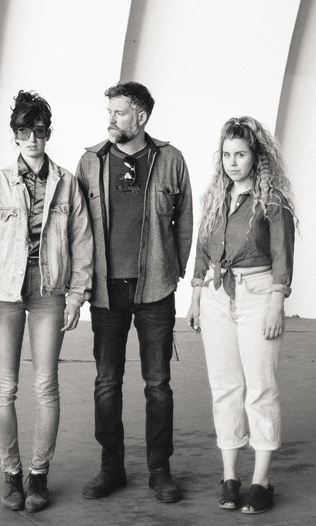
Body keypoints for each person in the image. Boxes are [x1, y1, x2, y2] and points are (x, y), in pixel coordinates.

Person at [0, 90, 93, 513]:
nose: (33, 139)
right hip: (4, 293)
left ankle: (39, 475)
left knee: (46, 387)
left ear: (48, 133)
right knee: (5, 389)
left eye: (39, 131)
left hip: (48, 292)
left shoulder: (67, 183)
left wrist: (77, 296)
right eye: (25, 131)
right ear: (15, 135)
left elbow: (82, 243)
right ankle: (12, 475)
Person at [74, 81, 193, 503]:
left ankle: (160, 470)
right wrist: (81, 282)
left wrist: (173, 271)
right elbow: (78, 226)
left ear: (141, 117)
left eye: (119, 112)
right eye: (109, 112)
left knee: (158, 384)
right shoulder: (90, 162)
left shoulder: (171, 159)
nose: (111, 120)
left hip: (155, 291)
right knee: (107, 382)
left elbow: (185, 221)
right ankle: (112, 468)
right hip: (106, 292)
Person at [186, 116, 296, 514]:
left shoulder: (272, 201)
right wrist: (196, 296)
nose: (233, 162)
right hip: (216, 295)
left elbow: (283, 256)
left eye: (241, 154)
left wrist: (276, 303)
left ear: (256, 157)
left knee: (261, 388)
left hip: (258, 294)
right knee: (225, 387)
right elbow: (201, 249)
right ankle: (230, 477)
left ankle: (260, 481)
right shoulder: (215, 197)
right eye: (227, 155)